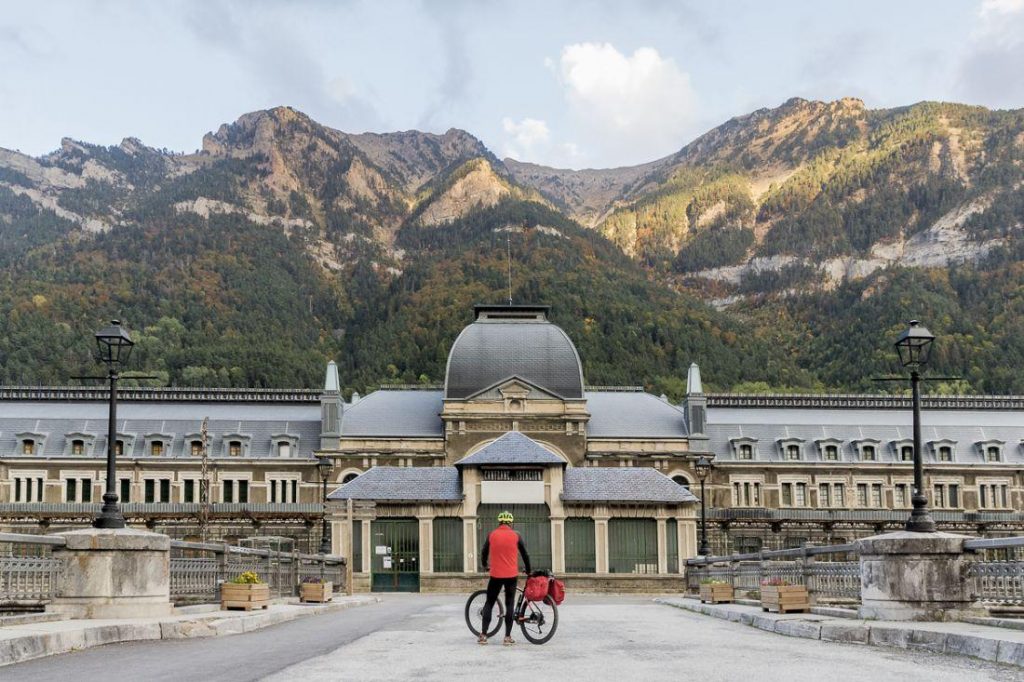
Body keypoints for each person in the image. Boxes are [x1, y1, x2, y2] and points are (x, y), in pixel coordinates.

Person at [478, 510, 531, 646]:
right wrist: (529, 570)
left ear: (499, 522)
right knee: (509, 605)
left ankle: (483, 636)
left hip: (495, 575)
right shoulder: (516, 535)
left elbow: (484, 552)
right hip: (511, 575)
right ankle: (507, 638)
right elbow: (525, 554)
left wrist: (485, 565)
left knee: (489, 603)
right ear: (511, 523)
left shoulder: (492, 534)